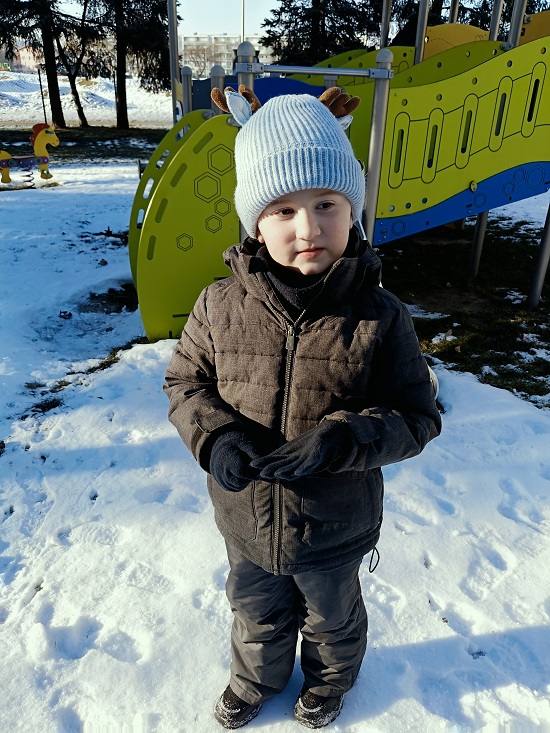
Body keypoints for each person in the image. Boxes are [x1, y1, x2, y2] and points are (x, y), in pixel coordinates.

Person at [164, 86, 441, 730]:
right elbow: (185, 384)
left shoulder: (380, 315)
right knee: (255, 611)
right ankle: (255, 681)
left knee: (331, 618)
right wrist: (217, 439)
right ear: (255, 222)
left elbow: (418, 417)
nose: (308, 228)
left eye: (326, 204)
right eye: (284, 209)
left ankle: (330, 681)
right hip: (246, 518)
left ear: (353, 211)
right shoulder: (218, 306)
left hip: (335, 526)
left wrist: (348, 438)